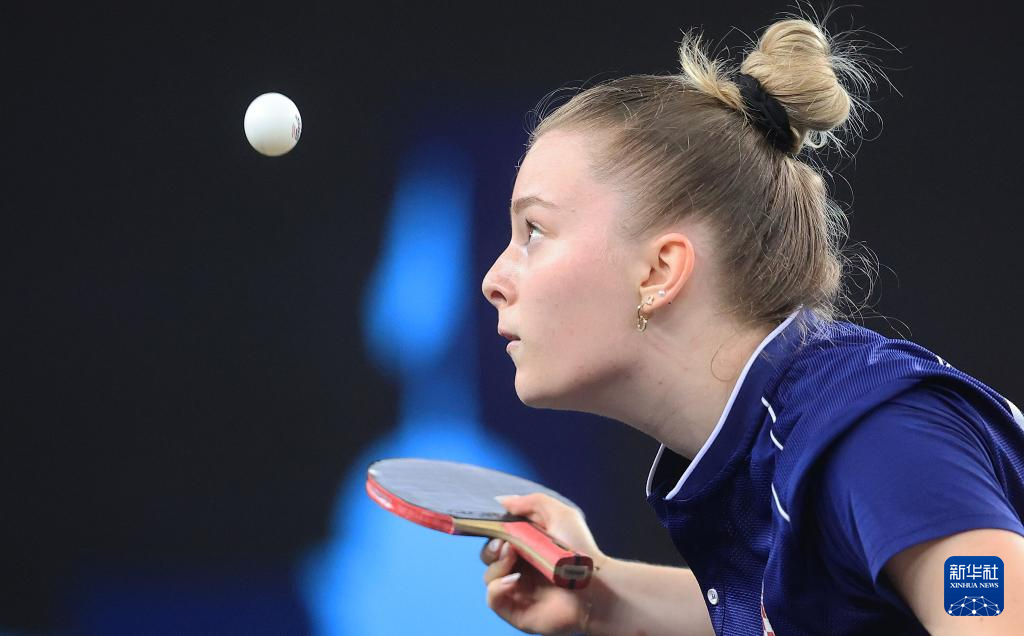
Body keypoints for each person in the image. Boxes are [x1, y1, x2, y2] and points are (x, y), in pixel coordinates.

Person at [478, 16, 1024, 636]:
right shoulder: (781, 444)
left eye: (534, 231)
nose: (494, 279)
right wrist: (601, 598)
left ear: (659, 271)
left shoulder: (877, 442)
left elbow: (994, 615)